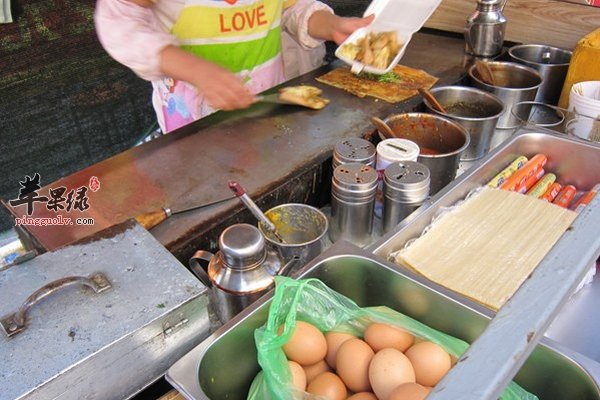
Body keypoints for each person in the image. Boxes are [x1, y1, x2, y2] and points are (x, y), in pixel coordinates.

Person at [95, 0, 374, 133]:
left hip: (267, 110)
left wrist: (331, 25)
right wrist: (194, 69)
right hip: (194, 126)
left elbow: (293, 7)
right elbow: (118, 20)